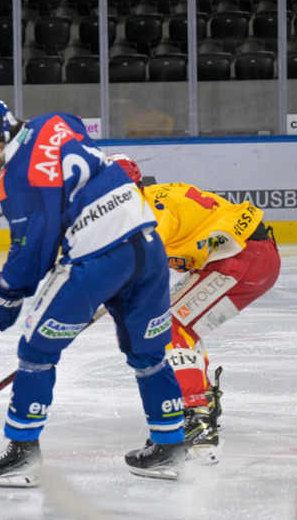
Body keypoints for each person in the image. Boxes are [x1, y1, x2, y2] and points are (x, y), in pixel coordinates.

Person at [0, 95, 186, 484]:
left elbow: (35, 253)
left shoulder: (16, 179)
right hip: (148, 246)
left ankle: (22, 452)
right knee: (148, 353)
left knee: (35, 350)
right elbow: (75, 129)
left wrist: (5, 292)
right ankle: (170, 446)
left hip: (99, 258)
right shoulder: (55, 120)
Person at [109, 154, 281, 461]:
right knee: (179, 322)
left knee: (169, 324)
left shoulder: (142, 214)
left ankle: (194, 415)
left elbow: (136, 271)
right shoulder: (148, 202)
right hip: (247, 257)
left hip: (242, 259)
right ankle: (204, 401)